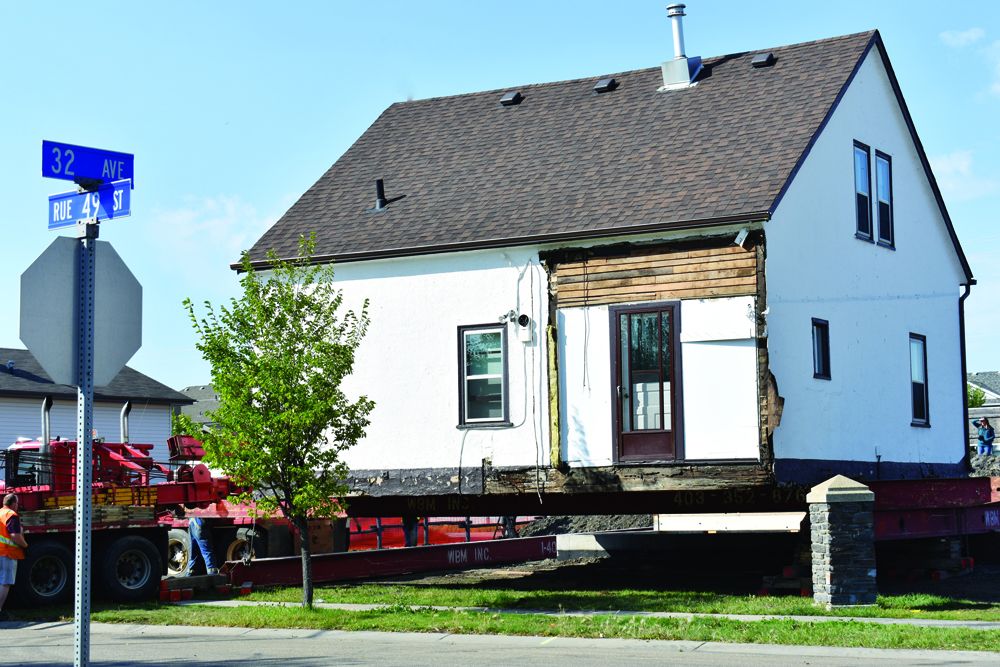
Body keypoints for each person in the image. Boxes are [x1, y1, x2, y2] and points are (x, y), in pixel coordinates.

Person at [0, 493, 28, 621]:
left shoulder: (1, 513)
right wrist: (25, 545)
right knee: (5, 583)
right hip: (7, 553)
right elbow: (14, 536)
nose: (18, 506)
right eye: (17, 503)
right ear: (13, 504)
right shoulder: (12, 515)